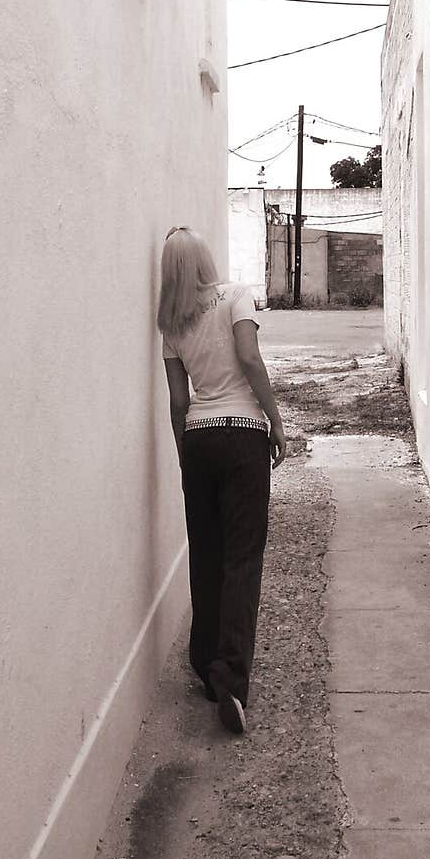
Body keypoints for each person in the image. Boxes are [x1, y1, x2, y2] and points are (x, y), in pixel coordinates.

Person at [157, 226, 286, 735]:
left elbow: (177, 400)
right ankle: (231, 679)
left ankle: (205, 663)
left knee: (207, 553)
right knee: (242, 555)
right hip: (243, 436)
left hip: (200, 440)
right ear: (206, 261)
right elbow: (250, 359)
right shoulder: (236, 296)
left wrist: (184, 448)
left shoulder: (170, 324)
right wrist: (276, 420)